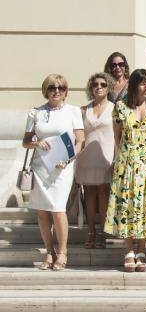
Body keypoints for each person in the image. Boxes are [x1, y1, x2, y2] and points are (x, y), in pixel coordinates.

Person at [23, 74, 85, 270]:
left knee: (58, 210)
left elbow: (80, 141)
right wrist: (36, 142)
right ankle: (49, 252)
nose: (56, 91)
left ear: (66, 91)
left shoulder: (73, 111)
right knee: (42, 212)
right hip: (41, 166)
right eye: (52, 87)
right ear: (46, 90)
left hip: (62, 168)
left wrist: (68, 160)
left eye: (60, 87)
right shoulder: (35, 112)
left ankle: (63, 252)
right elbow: (25, 142)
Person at [105, 69, 146, 272]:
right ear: (134, 86)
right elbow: (117, 137)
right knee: (127, 206)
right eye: (141, 83)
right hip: (126, 163)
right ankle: (128, 249)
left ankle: (141, 249)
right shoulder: (121, 108)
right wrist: (117, 160)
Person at [75, 72, 115, 250]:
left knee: (104, 194)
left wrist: (117, 158)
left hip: (106, 157)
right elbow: (79, 137)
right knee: (89, 194)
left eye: (103, 84)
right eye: (95, 84)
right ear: (90, 88)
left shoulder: (116, 108)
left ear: (109, 88)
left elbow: (118, 136)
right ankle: (90, 232)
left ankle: (102, 232)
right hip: (86, 157)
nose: (99, 87)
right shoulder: (83, 110)